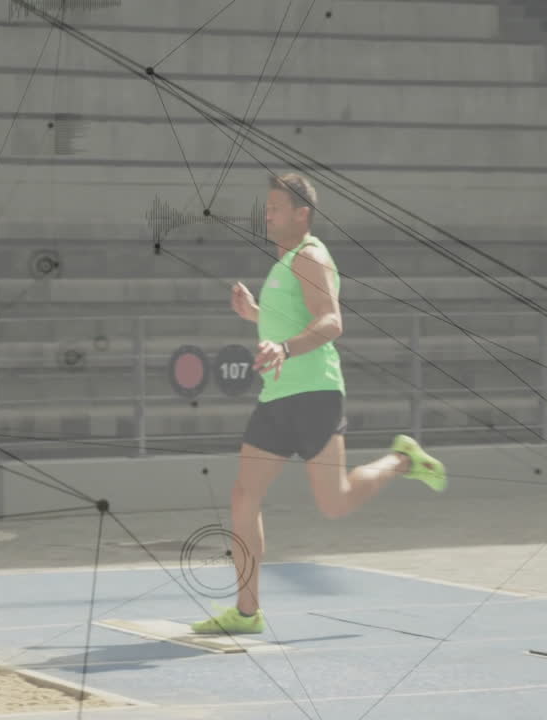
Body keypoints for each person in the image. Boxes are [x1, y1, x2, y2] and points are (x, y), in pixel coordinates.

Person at [190, 172, 447, 635]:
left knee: (336, 503)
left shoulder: (309, 257)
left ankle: (401, 459)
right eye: (265, 208)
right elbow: (287, 320)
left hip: (314, 394)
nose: (266, 215)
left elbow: (331, 322)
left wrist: (284, 349)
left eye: (274, 208)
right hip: (277, 397)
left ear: (301, 213)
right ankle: (247, 613)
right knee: (243, 495)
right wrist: (252, 314)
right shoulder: (283, 263)